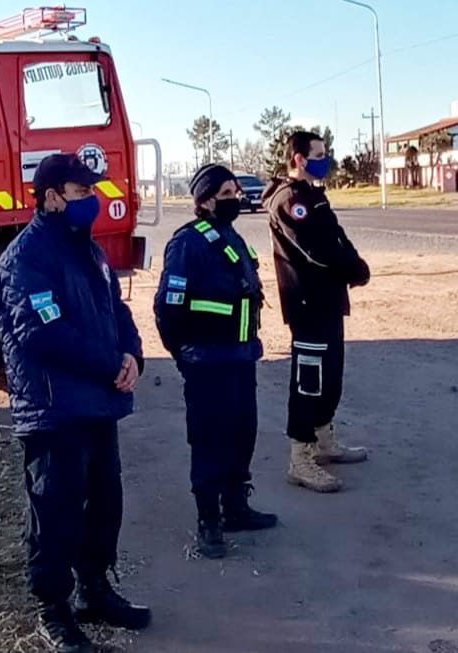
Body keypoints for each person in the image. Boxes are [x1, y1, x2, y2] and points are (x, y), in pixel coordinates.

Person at [0, 153, 152, 653]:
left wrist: (132, 355)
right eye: (83, 193)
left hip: (99, 404)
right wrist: (109, 364)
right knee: (56, 512)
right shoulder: (25, 259)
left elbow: (116, 308)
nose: (94, 200)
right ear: (52, 197)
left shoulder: (90, 251)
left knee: (105, 505)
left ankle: (95, 590)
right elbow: (45, 334)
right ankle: (53, 611)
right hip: (54, 410)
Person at [154, 163, 278, 559]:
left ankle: (236, 507)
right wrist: (182, 354)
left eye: (236, 192)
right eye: (226, 194)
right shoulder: (187, 243)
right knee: (210, 441)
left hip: (242, 357)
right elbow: (167, 307)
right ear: (204, 200)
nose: (235, 199)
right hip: (206, 362)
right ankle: (209, 520)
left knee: (244, 434)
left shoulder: (231, 236)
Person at [262, 131, 371, 493]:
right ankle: (300, 457)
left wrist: (356, 264)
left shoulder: (314, 196)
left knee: (331, 375)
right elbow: (314, 251)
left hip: (328, 301)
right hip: (308, 303)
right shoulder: (290, 201)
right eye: (319, 154)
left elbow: (336, 238)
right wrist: (349, 269)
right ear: (298, 158)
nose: (326, 158)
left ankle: (324, 441)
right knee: (309, 382)